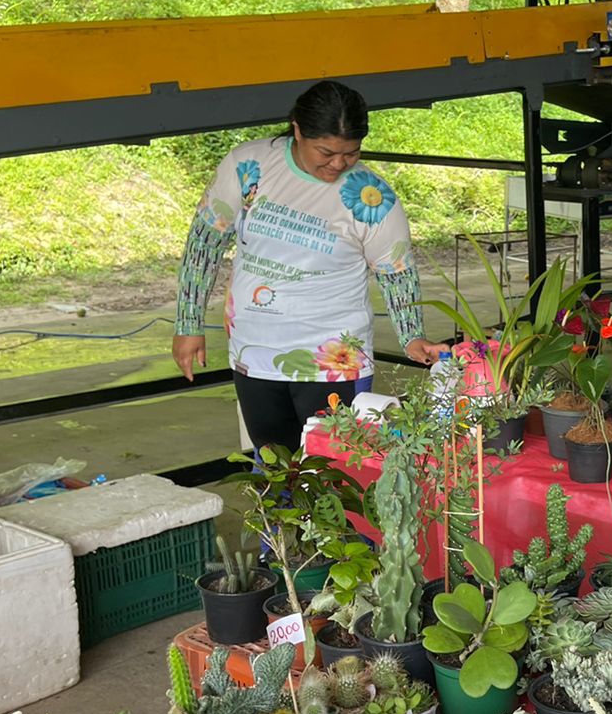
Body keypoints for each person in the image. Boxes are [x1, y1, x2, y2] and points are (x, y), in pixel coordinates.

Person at [172, 80, 450, 453]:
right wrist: (188, 325)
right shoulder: (248, 166)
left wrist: (412, 336)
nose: (338, 164)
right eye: (326, 152)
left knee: (335, 475)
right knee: (276, 469)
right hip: (254, 352)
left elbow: (395, 271)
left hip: (334, 360)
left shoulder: (373, 198)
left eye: (350, 153)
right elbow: (204, 245)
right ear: (298, 129)